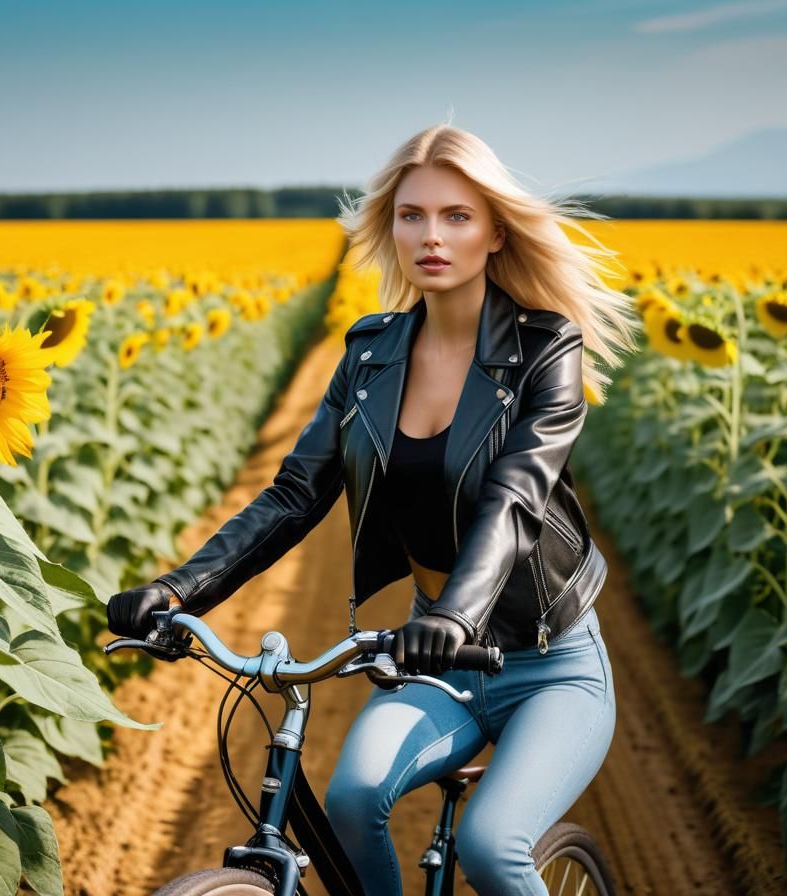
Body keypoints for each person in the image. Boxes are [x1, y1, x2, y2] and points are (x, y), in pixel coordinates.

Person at [108, 123, 641, 895]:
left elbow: (514, 499)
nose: (431, 235)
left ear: (495, 231)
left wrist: (455, 616)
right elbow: (296, 493)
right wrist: (182, 588)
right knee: (353, 801)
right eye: (411, 215)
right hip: (438, 669)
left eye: (456, 216)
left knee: (493, 846)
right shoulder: (368, 357)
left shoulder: (543, 350)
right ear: (389, 228)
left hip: (550, 666)